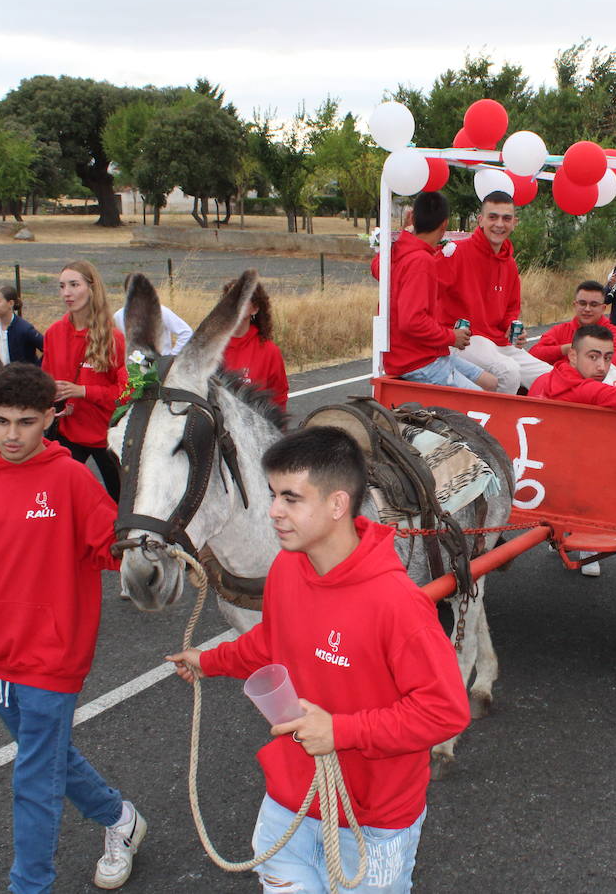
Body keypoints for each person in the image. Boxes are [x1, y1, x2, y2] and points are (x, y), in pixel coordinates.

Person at [165, 426, 470, 893]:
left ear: (336, 505)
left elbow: (445, 711)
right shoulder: (288, 566)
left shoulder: (397, 605)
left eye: (291, 498)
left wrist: (342, 732)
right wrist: (210, 661)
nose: (274, 512)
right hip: (289, 802)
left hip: (373, 821)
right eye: (273, 495)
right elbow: (274, 639)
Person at [0, 363, 146, 894]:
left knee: (33, 779)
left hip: (54, 653)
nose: (13, 434)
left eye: (26, 421)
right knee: (48, 759)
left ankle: (30, 885)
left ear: (51, 416)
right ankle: (120, 818)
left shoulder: (70, 479)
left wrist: (150, 539)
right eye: (1, 421)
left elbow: (113, 551)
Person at [370, 191, 496, 394]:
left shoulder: (399, 251)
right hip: (417, 360)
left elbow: (377, 267)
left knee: (491, 382)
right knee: (482, 401)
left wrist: (402, 234)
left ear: (412, 218)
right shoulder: (421, 261)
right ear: (444, 224)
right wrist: (450, 337)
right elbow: (412, 320)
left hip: (425, 353)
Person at [441, 191, 550, 393]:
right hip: (463, 341)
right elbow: (426, 287)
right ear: (480, 220)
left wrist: (511, 328)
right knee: (508, 371)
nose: (499, 224)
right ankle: (497, 424)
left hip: (496, 341)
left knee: (550, 377)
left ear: (514, 222)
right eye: (493, 217)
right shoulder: (455, 252)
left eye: (506, 218)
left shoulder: (509, 263)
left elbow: (510, 308)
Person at [41, 260, 127, 500]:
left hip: (105, 435)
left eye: (74, 285)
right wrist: (52, 402)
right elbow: (45, 379)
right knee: (58, 496)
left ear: (92, 288)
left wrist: (83, 391)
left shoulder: (114, 339)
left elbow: (125, 393)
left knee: (118, 499)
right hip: (66, 431)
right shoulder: (53, 334)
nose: (66, 293)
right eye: (61, 286)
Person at [528, 325, 616, 412]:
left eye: (607, 358)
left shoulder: (544, 379)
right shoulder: (588, 390)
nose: (602, 367)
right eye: (593, 357)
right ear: (573, 356)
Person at [220, 279, 293, 410]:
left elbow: (278, 397)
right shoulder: (210, 348)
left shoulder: (269, 351)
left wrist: (276, 429)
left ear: (254, 308)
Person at [528, 281, 616, 370]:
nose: (587, 309)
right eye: (583, 303)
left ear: (603, 308)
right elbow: (534, 354)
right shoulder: (560, 330)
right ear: (575, 305)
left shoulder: (614, 333)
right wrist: (565, 349)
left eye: (593, 305)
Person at [112, 272, 193, 356]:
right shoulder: (118, 316)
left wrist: (171, 357)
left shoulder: (161, 312)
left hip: (161, 364)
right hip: (134, 365)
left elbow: (186, 332)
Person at [0, 285, 44, 366]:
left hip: (22, 376)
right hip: (1, 375)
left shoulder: (24, 328)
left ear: (10, 303)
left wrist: (36, 370)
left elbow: (48, 348)